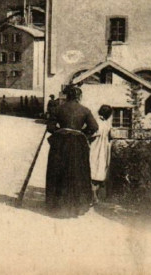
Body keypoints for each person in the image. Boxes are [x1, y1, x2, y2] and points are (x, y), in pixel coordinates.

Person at [45, 85, 98, 217]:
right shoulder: (85, 110)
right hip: (77, 145)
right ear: (79, 97)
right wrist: (81, 133)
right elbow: (94, 127)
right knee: (77, 171)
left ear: (67, 96)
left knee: (58, 171)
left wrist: (61, 131)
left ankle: (57, 206)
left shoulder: (57, 109)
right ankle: (77, 206)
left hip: (60, 144)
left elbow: (50, 127)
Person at [89, 105, 114, 204]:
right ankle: (95, 196)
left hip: (95, 148)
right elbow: (111, 136)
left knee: (92, 169)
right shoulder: (107, 124)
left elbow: (93, 135)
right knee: (100, 171)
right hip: (104, 149)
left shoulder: (96, 122)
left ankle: (93, 196)